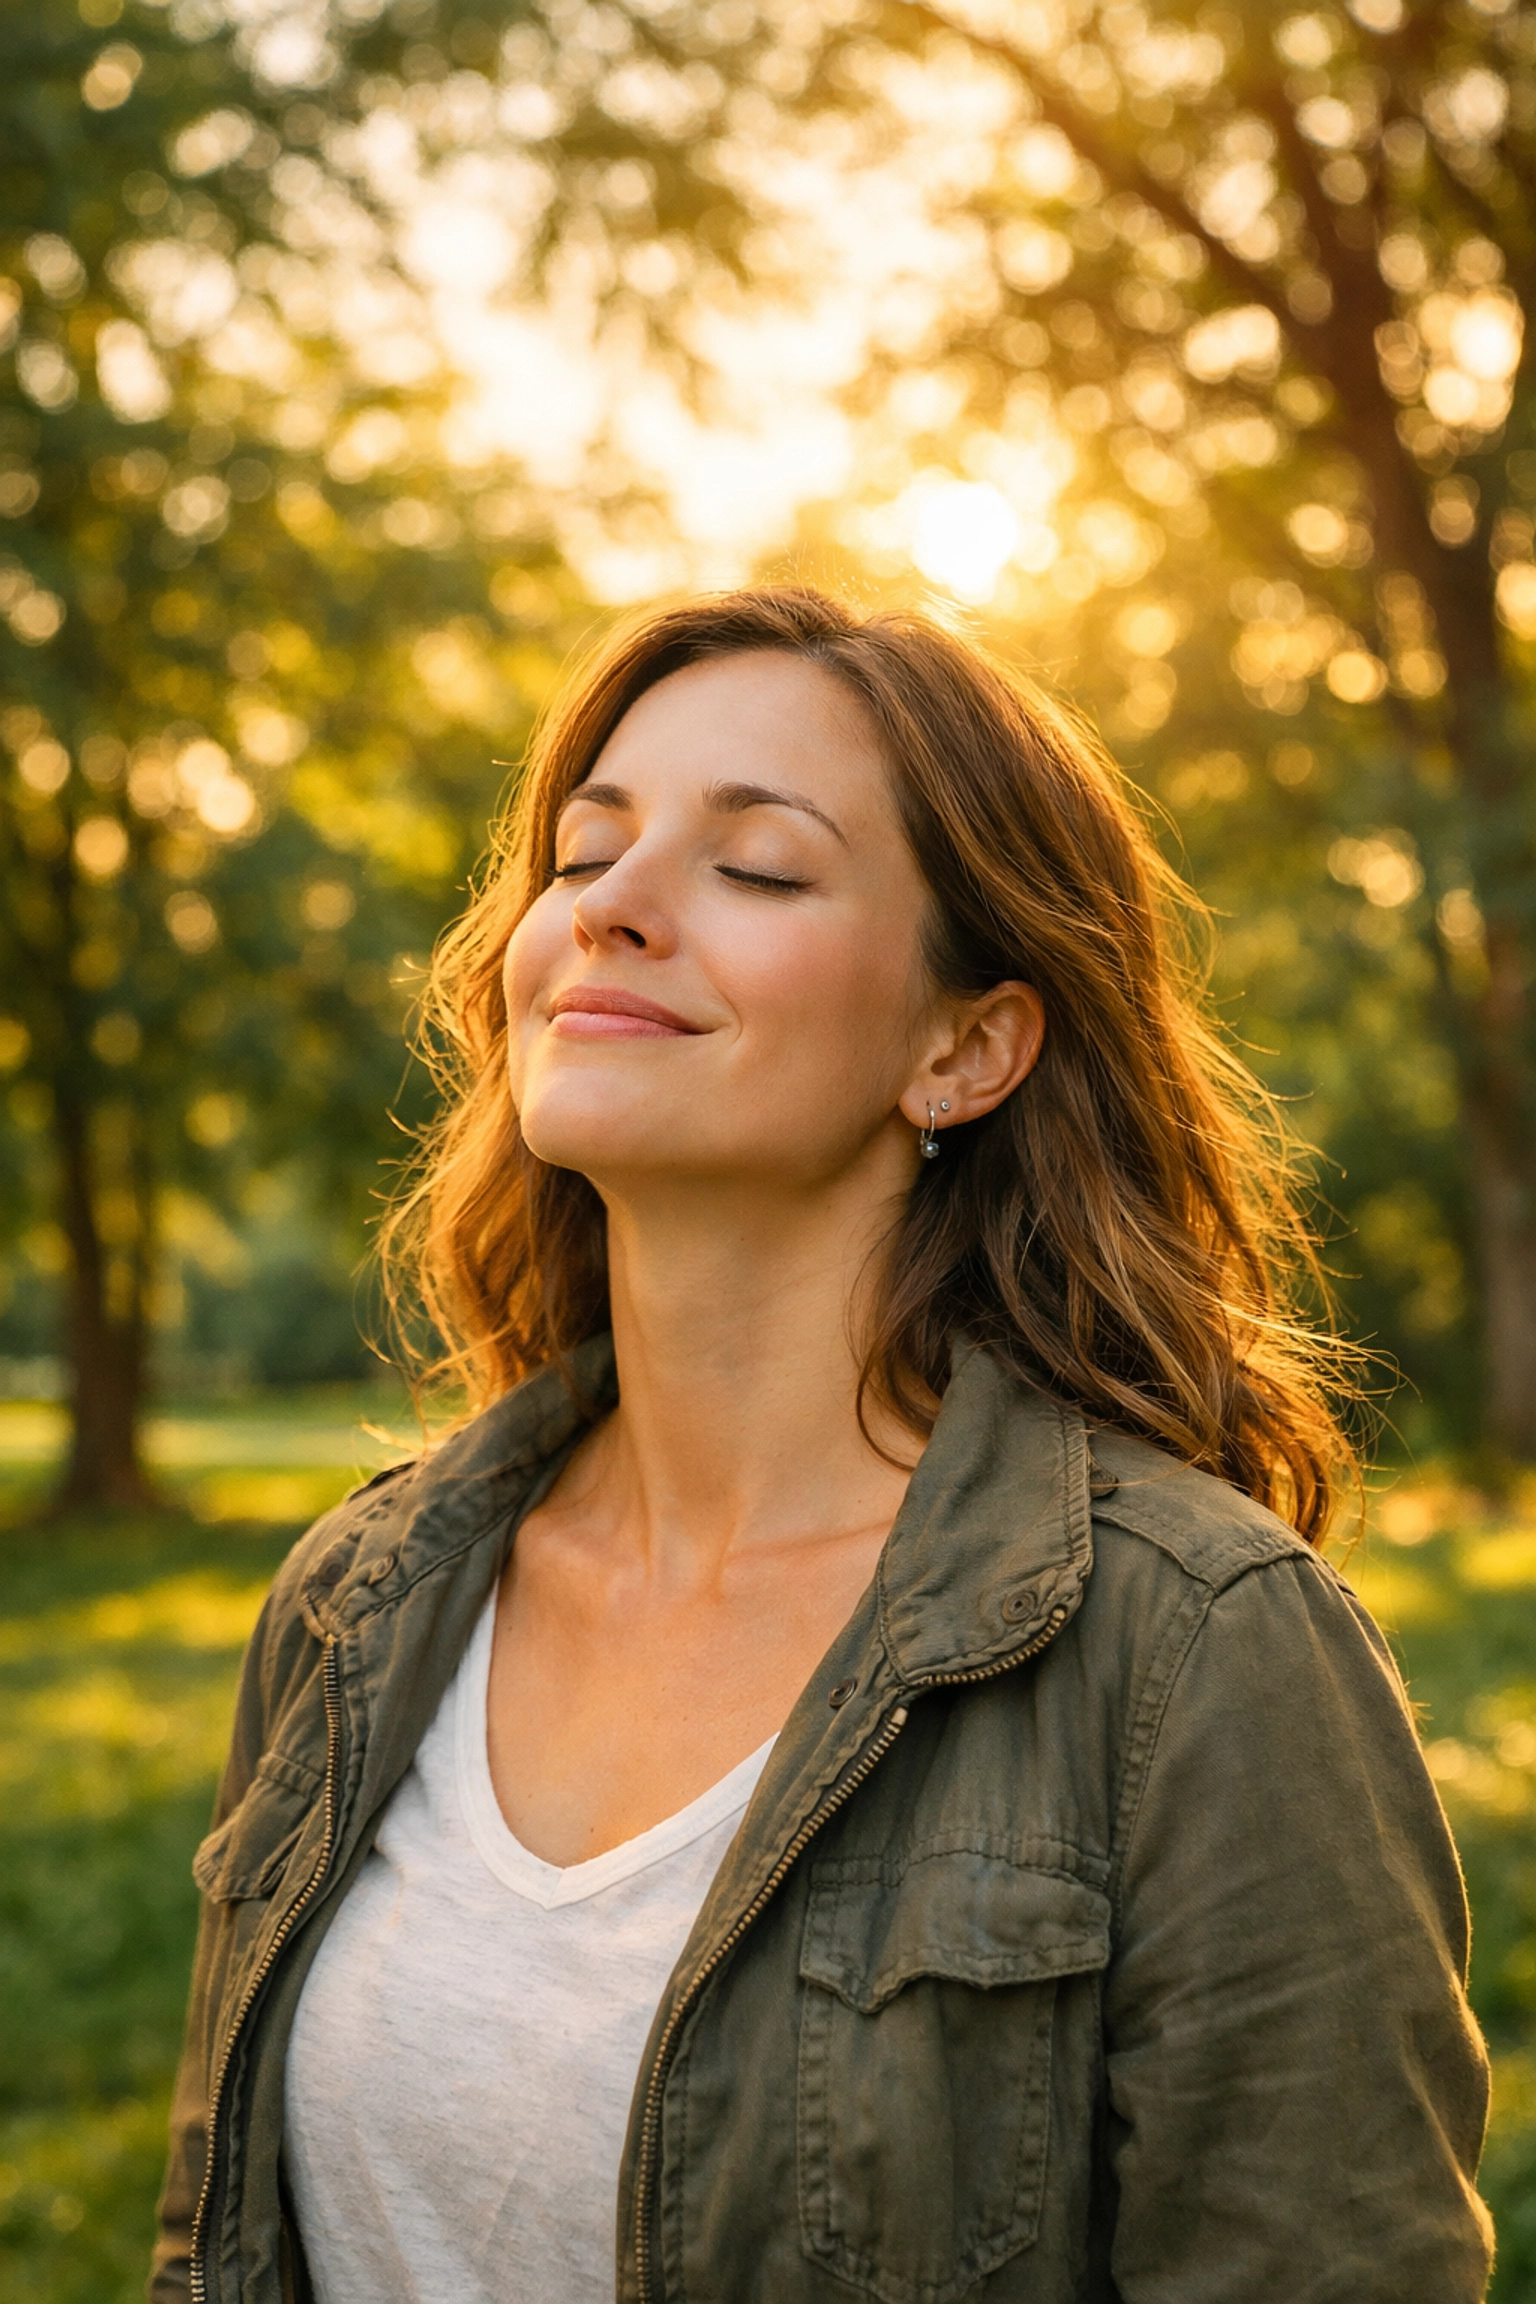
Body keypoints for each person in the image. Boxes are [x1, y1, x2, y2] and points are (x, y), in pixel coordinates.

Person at [152, 586, 1492, 2304]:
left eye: (758, 867)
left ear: (965, 1045)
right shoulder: (353, 1601)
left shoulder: (1202, 1653)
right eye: (583, 854)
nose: (613, 910)